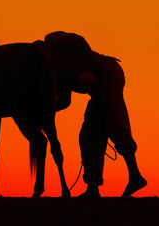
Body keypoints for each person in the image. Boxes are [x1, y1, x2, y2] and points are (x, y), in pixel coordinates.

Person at [36, 32, 147, 198]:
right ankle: (93, 187)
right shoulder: (55, 75)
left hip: (108, 73)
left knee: (115, 123)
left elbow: (80, 41)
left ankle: (135, 177)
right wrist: (43, 112)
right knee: (89, 135)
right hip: (96, 91)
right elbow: (65, 101)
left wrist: (84, 69)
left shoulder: (52, 39)